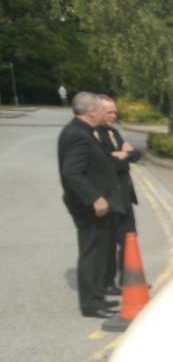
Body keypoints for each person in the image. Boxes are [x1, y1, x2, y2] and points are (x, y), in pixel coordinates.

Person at [57, 91, 125, 319]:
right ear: (91, 111)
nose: (101, 113)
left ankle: (98, 296)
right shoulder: (76, 134)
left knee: (100, 253)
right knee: (92, 254)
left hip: (98, 204)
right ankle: (91, 304)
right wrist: (95, 198)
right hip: (89, 207)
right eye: (99, 109)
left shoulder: (85, 131)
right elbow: (72, 172)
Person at [95, 95, 141, 292]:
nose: (114, 116)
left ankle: (128, 278)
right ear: (95, 112)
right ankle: (106, 282)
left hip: (124, 197)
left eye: (115, 111)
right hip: (108, 197)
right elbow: (106, 164)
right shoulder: (93, 135)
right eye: (109, 112)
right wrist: (124, 155)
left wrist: (126, 154)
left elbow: (137, 154)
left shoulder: (113, 132)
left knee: (129, 239)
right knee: (108, 242)